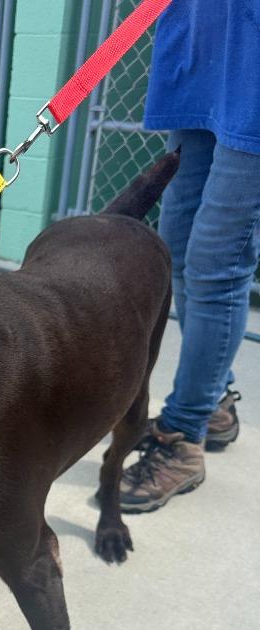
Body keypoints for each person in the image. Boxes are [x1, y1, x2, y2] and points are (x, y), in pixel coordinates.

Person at [119, 0, 260, 514]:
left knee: (216, 266)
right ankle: (214, 401)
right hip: (203, 52)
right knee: (174, 249)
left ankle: (183, 436)